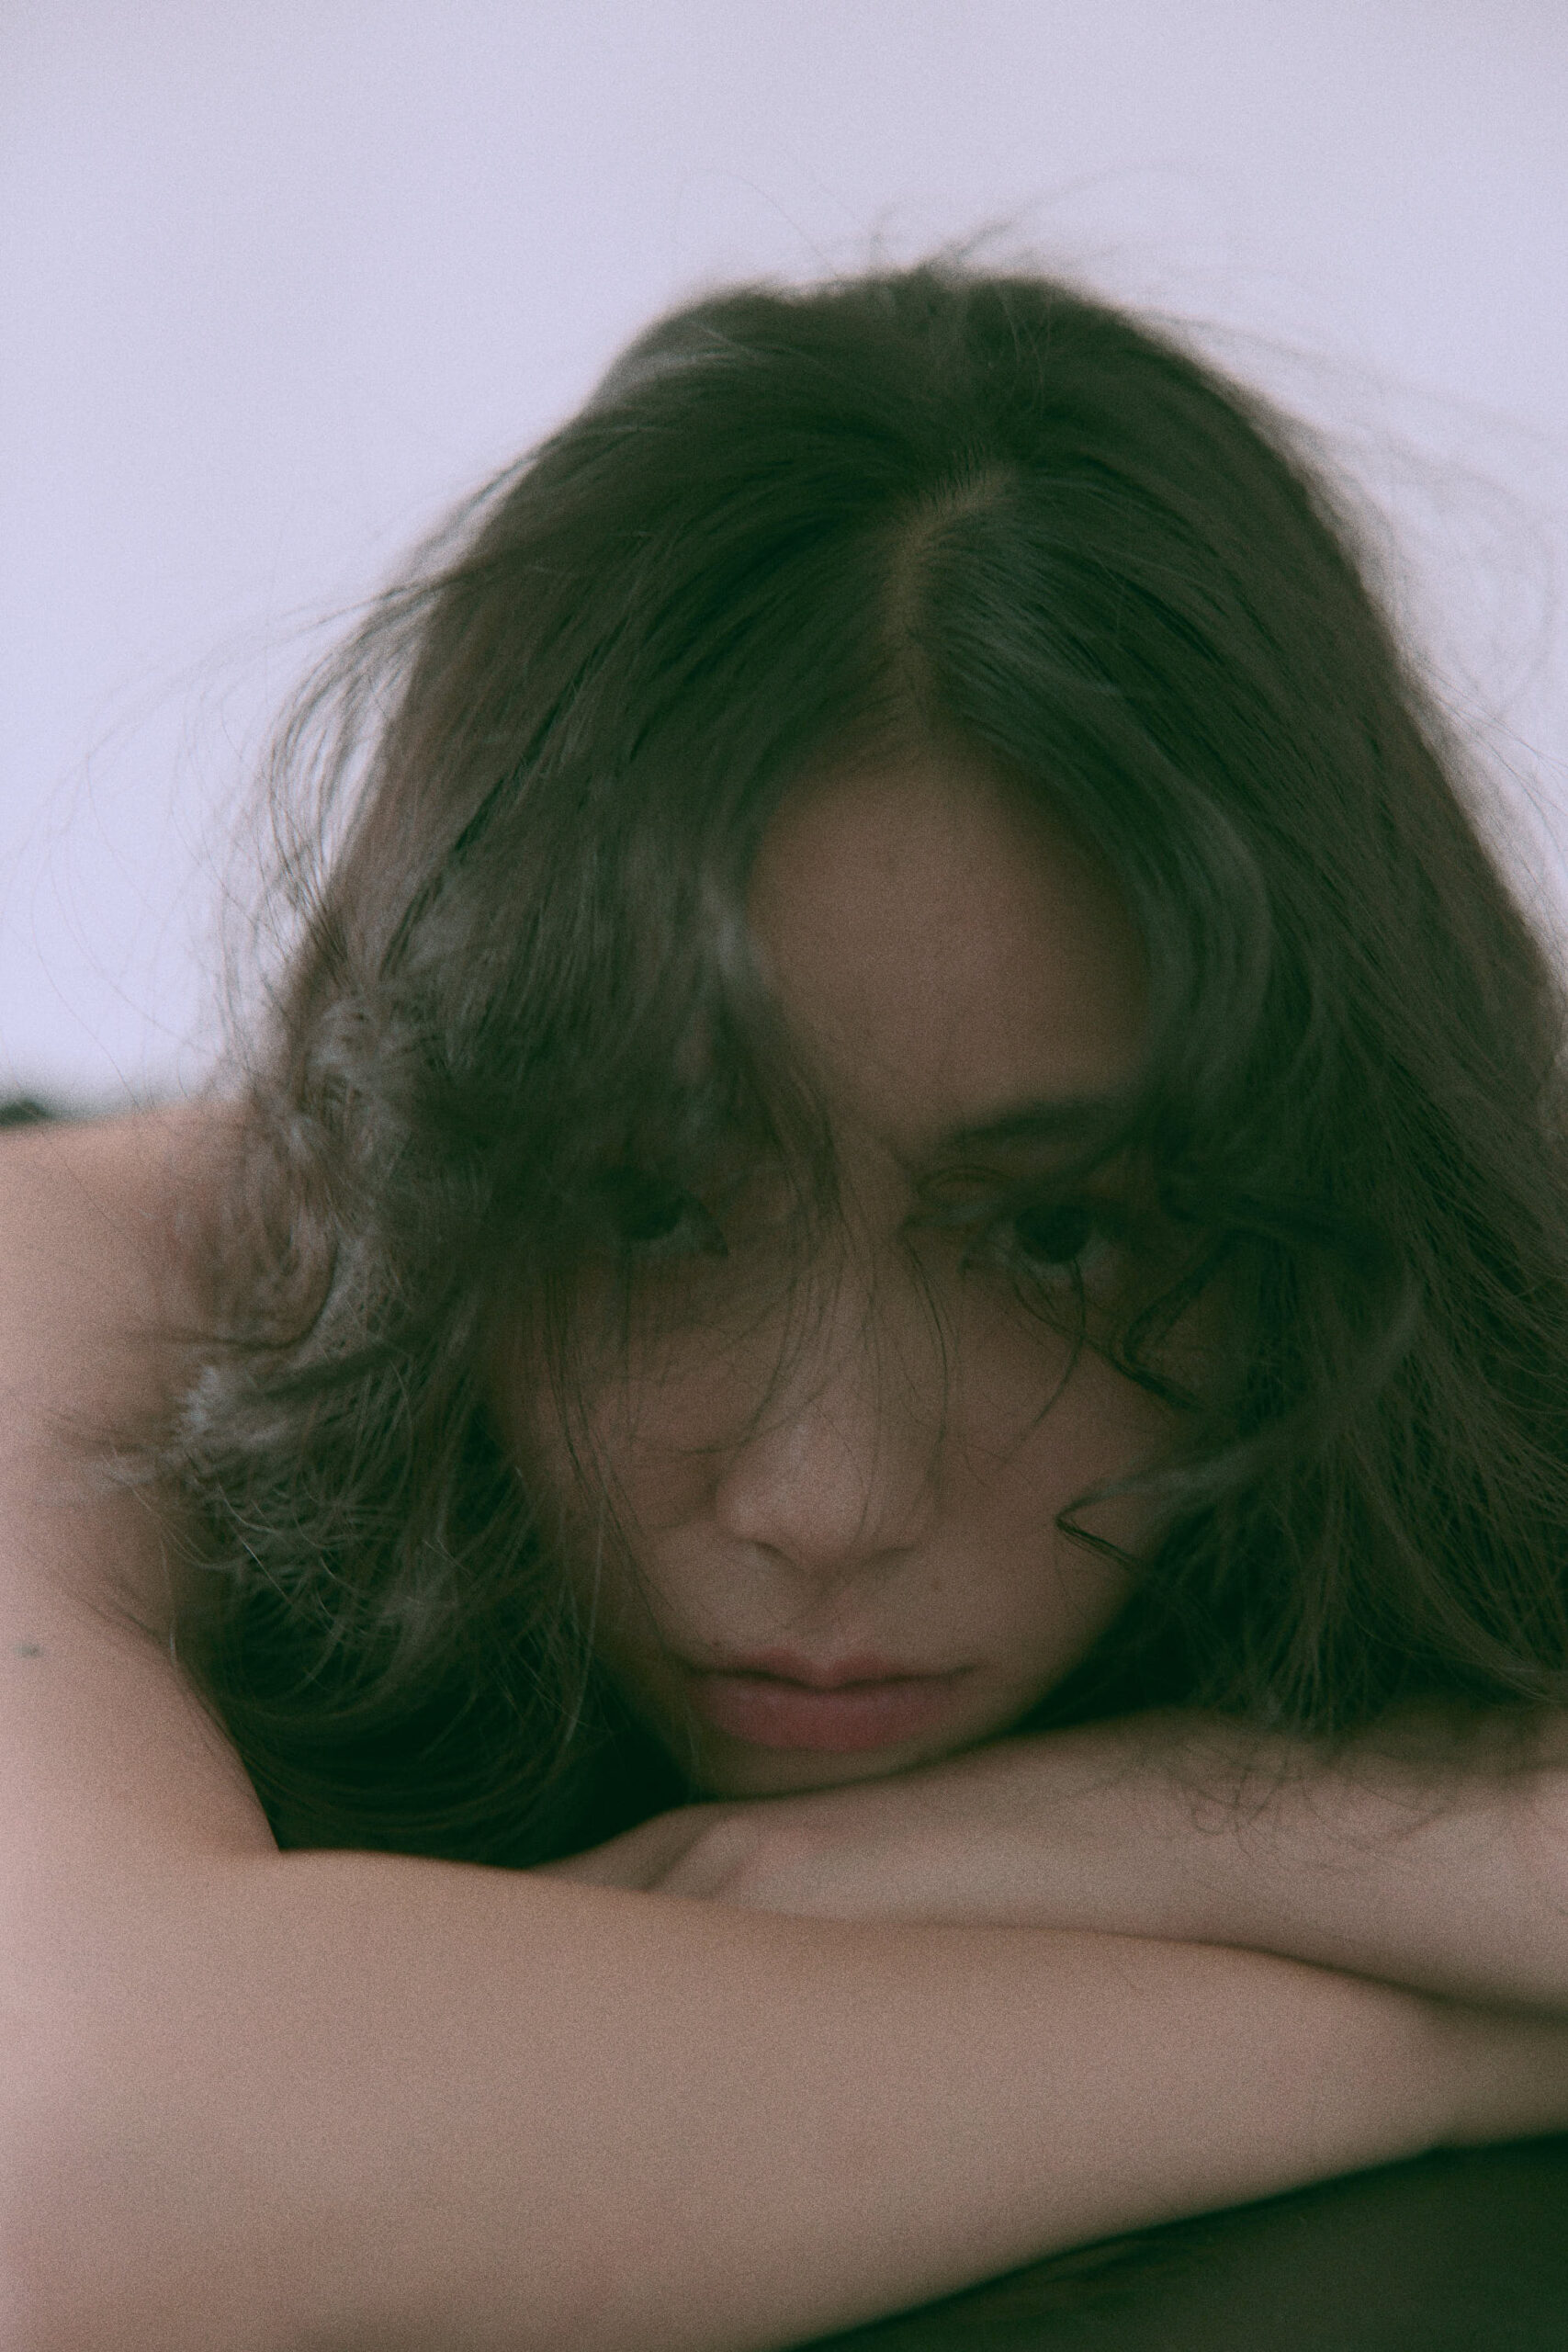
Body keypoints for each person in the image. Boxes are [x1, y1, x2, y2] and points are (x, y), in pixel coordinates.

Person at [4, 259, 1568, 2352]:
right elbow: (83, 2176)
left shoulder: (1462, 1295)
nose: (823, 1500)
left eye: (1058, 1236)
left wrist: (1105, 1831)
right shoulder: (107, 1277)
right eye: (650, 1211)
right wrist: (1435, 2031)